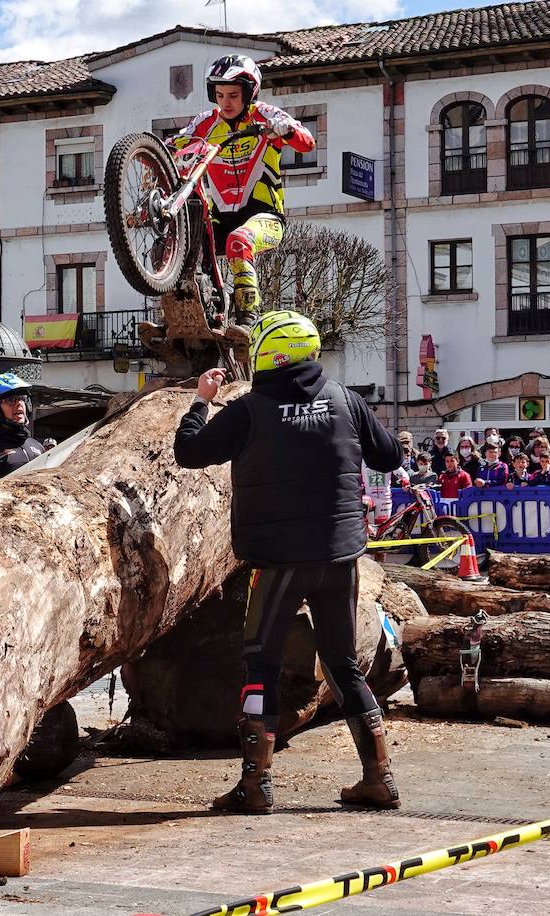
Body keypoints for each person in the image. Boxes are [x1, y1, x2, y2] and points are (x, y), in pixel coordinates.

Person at [173, 310, 402, 815]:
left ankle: (255, 784)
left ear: (268, 354)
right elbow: (388, 458)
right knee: (343, 665)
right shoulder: (346, 400)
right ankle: (379, 777)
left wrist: (200, 402)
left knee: (261, 664)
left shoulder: (251, 408)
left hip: (276, 562)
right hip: (339, 556)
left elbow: (188, 452)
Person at [171, 55, 315, 326]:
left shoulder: (265, 114)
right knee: (182, 242)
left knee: (239, 241)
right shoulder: (206, 122)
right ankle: (193, 309)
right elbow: (178, 142)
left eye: (234, 95)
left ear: (249, 93)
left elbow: (307, 143)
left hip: (266, 216)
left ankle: (248, 316)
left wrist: (286, 131)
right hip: (219, 218)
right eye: (220, 94)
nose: (226, 102)